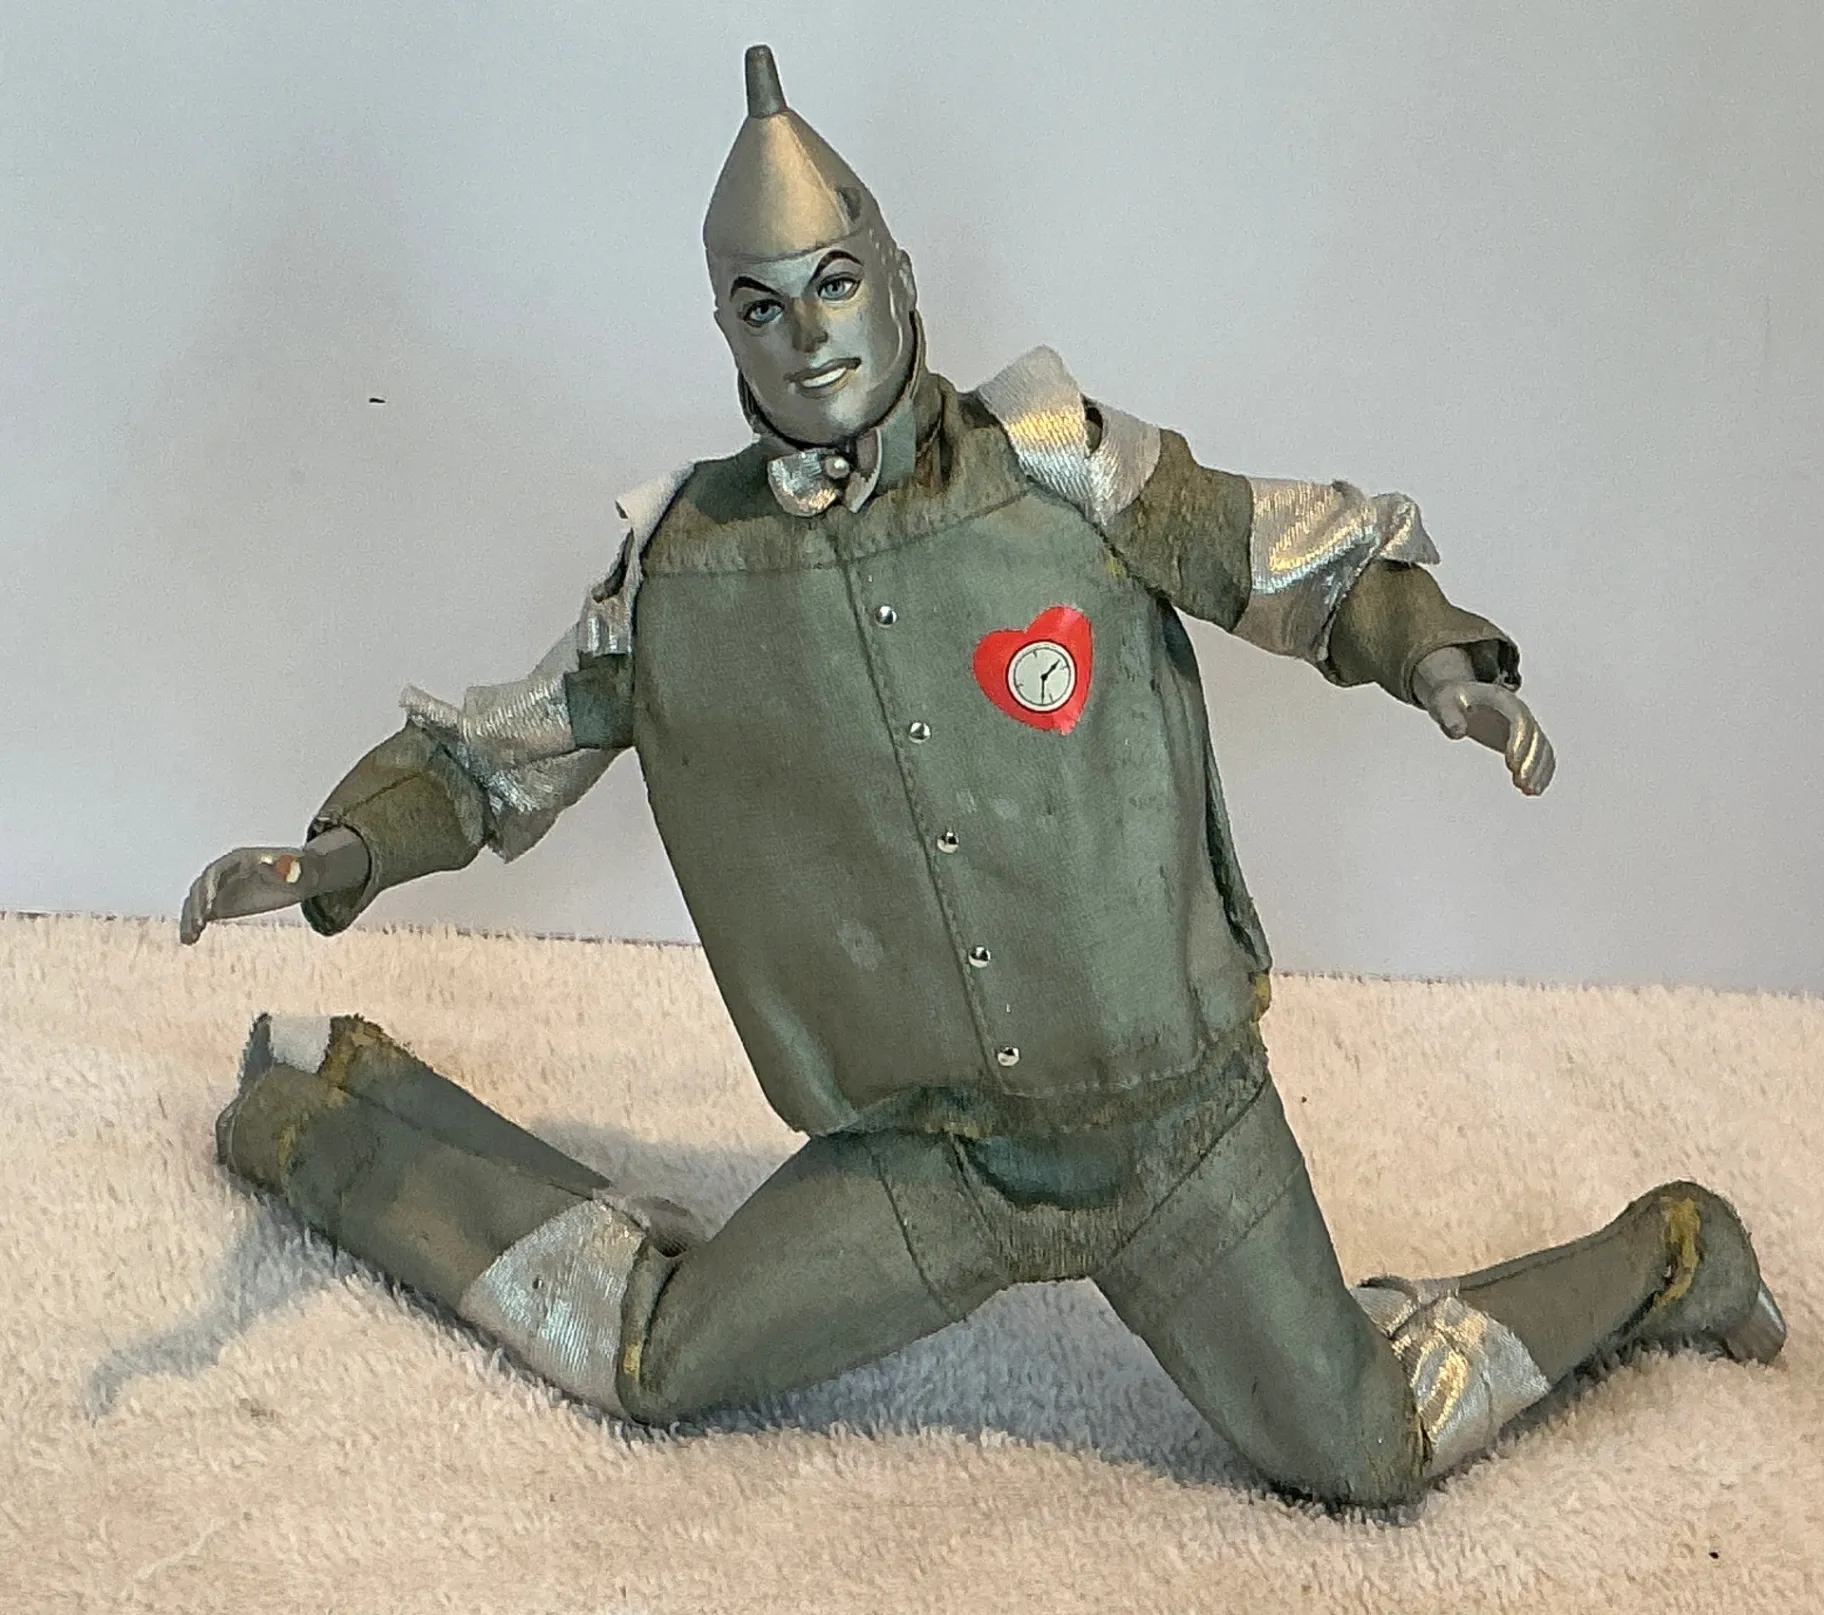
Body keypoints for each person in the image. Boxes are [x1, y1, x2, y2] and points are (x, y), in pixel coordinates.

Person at [181, 45, 1783, 1507]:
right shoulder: (685, 570)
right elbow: (498, 755)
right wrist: (346, 849)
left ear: (899, 279)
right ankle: (330, 1112)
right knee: (656, 1359)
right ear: (722, 329)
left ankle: (1675, 1250)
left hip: (1177, 1132)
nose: (808, 333)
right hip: (930, 1162)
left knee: (1363, 1449)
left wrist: (1432, 650)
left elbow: (1284, 555)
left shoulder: (1063, 468)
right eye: (760, 305)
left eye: (834, 283)